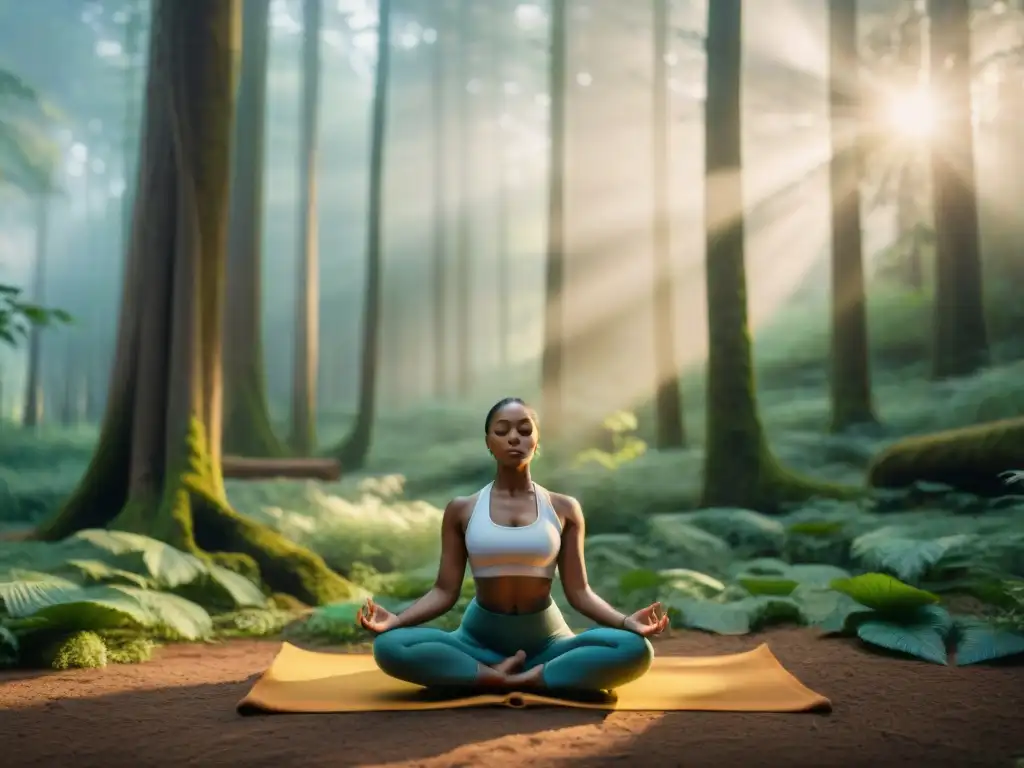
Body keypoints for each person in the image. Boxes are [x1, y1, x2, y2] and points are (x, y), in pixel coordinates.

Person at [357, 397, 669, 693]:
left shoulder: (563, 508)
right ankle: (505, 676)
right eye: (502, 431)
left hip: (548, 643)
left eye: (524, 429)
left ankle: (514, 676)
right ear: (488, 442)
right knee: (389, 645)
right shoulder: (462, 509)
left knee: (634, 648)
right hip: (477, 641)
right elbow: (444, 591)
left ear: (537, 439)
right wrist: (396, 621)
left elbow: (580, 593)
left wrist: (626, 622)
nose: (513, 438)